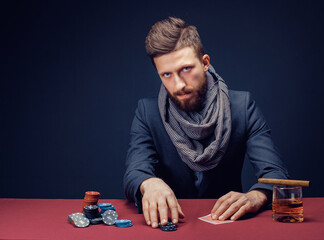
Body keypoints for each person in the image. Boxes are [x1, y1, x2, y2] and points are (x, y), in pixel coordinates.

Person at [123, 17, 289, 228]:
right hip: (172, 228)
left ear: (205, 63)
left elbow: (275, 174)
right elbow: (134, 172)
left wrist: (255, 196)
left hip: (228, 228)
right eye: (166, 74)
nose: (178, 85)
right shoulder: (148, 112)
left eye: (186, 69)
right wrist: (150, 183)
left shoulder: (242, 106)